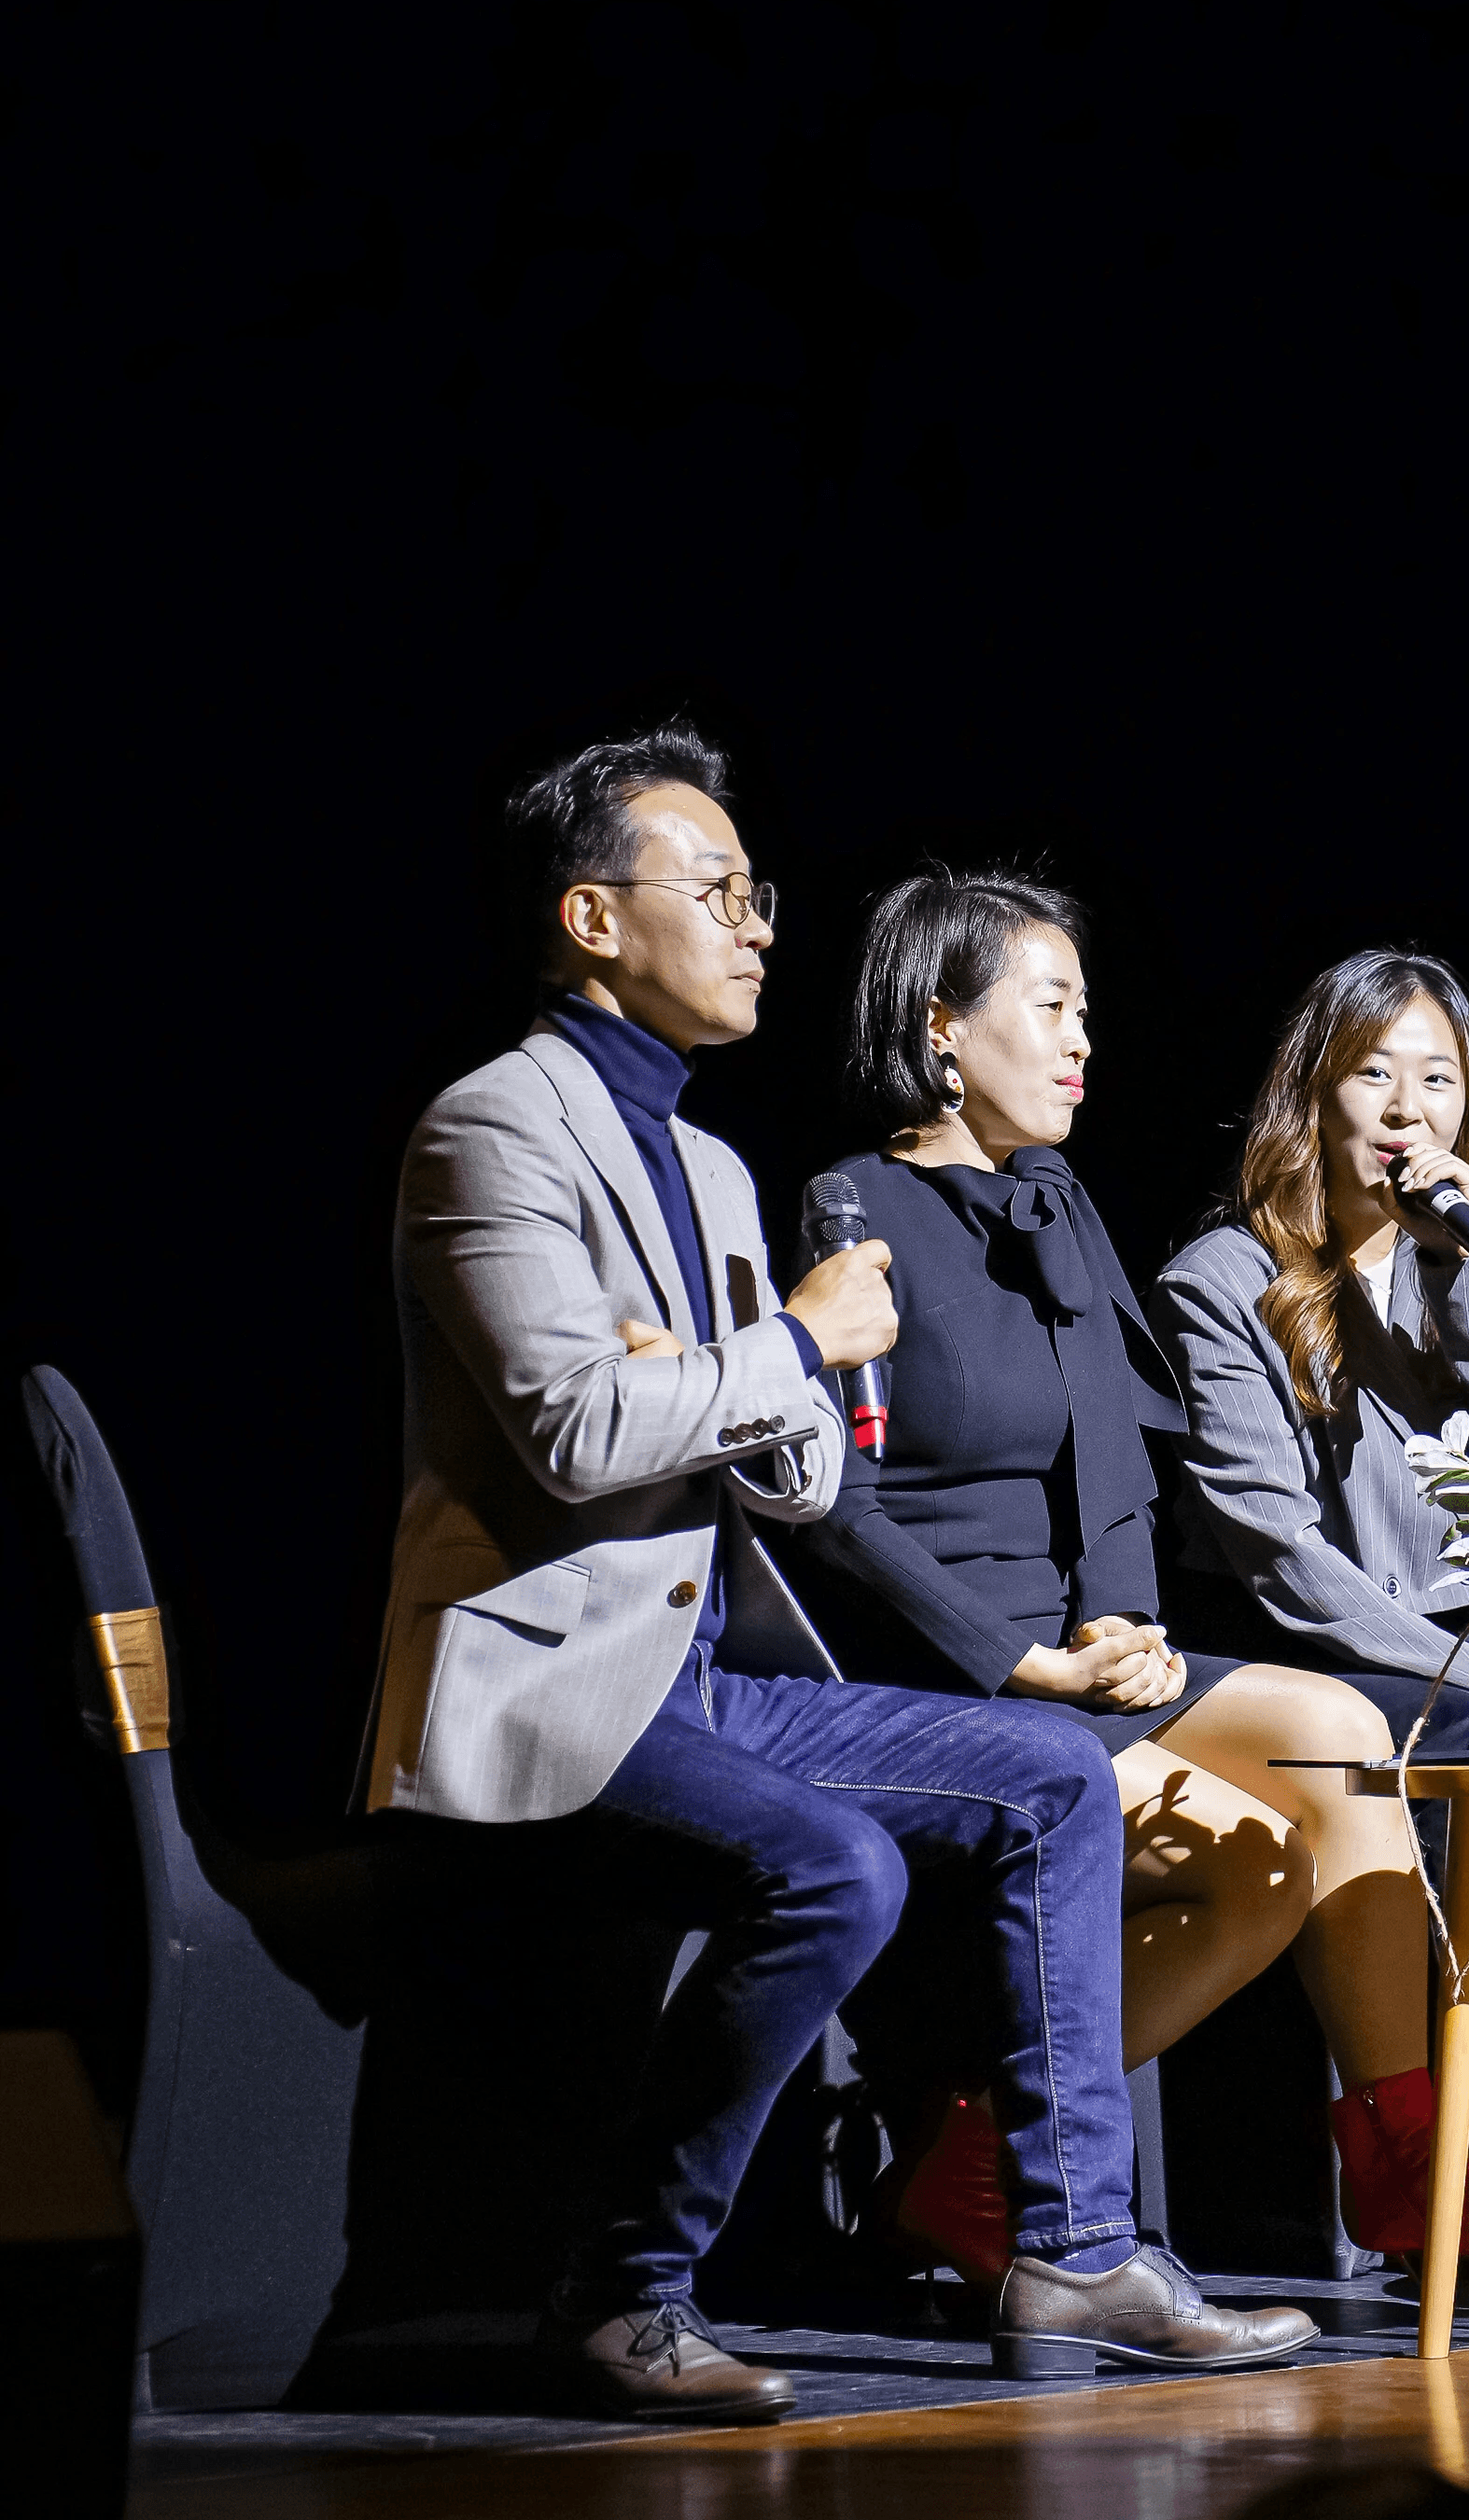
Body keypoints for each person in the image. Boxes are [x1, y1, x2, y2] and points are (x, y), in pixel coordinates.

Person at [365, 731, 1315, 2416]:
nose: (755, 927)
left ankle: (1076, 2250)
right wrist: (784, 1344)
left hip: (713, 1672)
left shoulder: (716, 1168)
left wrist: (760, 1372)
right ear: (594, 917)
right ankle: (624, 2291)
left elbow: (794, 1475)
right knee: (840, 1870)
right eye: (719, 893)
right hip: (555, 1674)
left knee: (1048, 1781)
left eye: (758, 895)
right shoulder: (490, 1131)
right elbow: (582, 1434)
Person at [794, 880, 1469, 2272]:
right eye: (1050, 1010)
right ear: (943, 1030)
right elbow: (843, 1509)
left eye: (1086, 1015)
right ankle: (982, 2155)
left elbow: (1118, 1459)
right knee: (1267, 1858)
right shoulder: (856, 1206)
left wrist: (1126, 1623)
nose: (1081, 1045)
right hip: (953, 1668)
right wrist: (1022, 1661)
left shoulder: (1059, 1202)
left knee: (1344, 1734)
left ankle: (1409, 2161)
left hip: (1093, 1650)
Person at [1152, 947, 1469, 2243]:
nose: (1407, 1108)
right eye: (1373, 1073)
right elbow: (1278, 1550)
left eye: (1437, 1080)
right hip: (1328, 1661)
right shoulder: (1222, 1281)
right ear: (1314, 1098)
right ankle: (1454, 2129)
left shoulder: (1468, 1274)